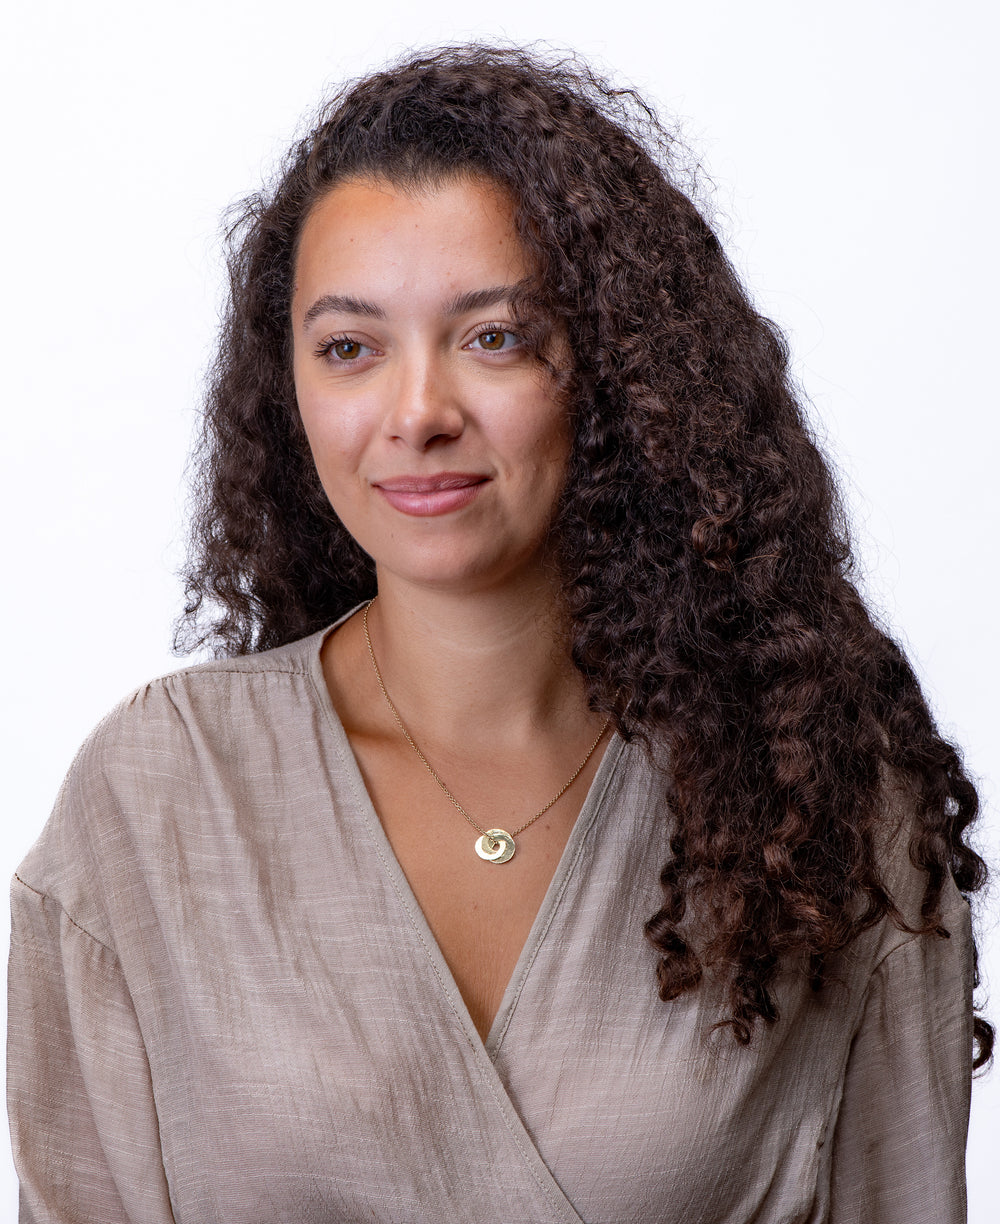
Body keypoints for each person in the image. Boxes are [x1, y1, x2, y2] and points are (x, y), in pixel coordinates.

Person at [7, 43, 990, 1224]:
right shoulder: (158, 799)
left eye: (494, 337)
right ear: (291, 390)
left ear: (615, 372)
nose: (417, 414)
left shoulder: (812, 807)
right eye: (348, 348)